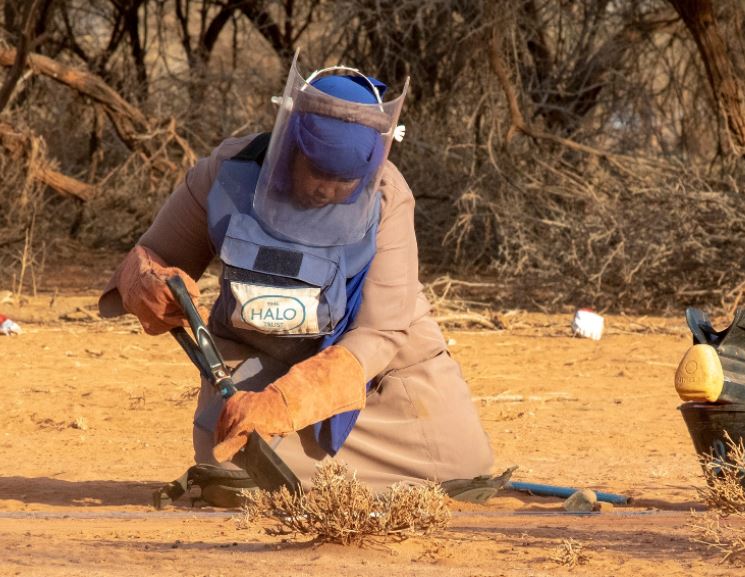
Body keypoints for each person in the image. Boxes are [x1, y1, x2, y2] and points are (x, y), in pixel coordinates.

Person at [98, 56, 494, 505]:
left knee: (464, 466)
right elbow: (151, 258)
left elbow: (381, 332)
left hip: (370, 377)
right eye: (317, 171)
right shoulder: (228, 172)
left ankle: (314, 470)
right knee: (233, 460)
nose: (327, 188)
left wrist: (287, 403)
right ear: (290, 144)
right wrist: (148, 284)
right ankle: (311, 472)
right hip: (256, 367)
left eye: (344, 179)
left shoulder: (389, 197)